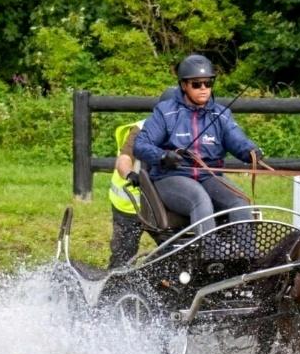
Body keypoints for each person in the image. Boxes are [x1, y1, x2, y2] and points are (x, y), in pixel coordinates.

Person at [133, 53, 261, 235]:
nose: (203, 89)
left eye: (208, 83)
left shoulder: (221, 114)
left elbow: (237, 140)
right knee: (199, 199)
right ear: (184, 85)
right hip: (171, 177)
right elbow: (141, 145)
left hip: (209, 177)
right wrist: (162, 156)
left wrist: (252, 152)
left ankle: (245, 256)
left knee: (239, 201)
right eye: (196, 84)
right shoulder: (165, 112)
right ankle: (209, 254)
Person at [107, 119, 148, 268]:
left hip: (161, 204)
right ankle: (114, 283)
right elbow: (124, 159)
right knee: (124, 254)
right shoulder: (141, 129)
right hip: (130, 203)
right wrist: (129, 174)